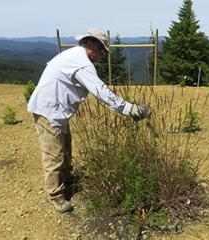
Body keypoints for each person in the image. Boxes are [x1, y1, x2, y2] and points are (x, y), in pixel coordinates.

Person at [27, 28, 149, 213]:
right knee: (55, 154)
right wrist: (129, 109)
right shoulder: (82, 63)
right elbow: (101, 91)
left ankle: (67, 180)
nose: (101, 56)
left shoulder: (73, 55)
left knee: (66, 145)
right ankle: (56, 195)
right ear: (91, 44)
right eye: (101, 51)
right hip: (48, 110)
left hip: (55, 109)